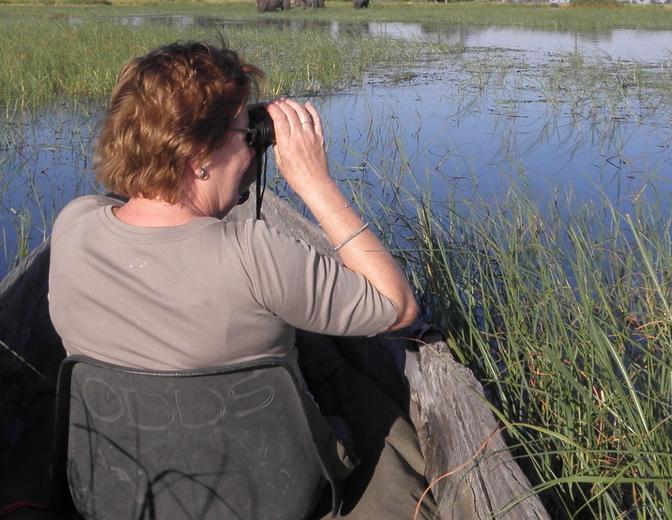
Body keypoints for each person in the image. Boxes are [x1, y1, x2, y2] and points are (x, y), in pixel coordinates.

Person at [44, 41, 435, 519]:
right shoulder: (254, 255)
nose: (254, 146)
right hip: (274, 499)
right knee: (371, 411)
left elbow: (137, 211)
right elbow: (397, 306)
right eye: (246, 132)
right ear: (197, 155)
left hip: (116, 494)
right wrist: (315, 181)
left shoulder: (74, 225)